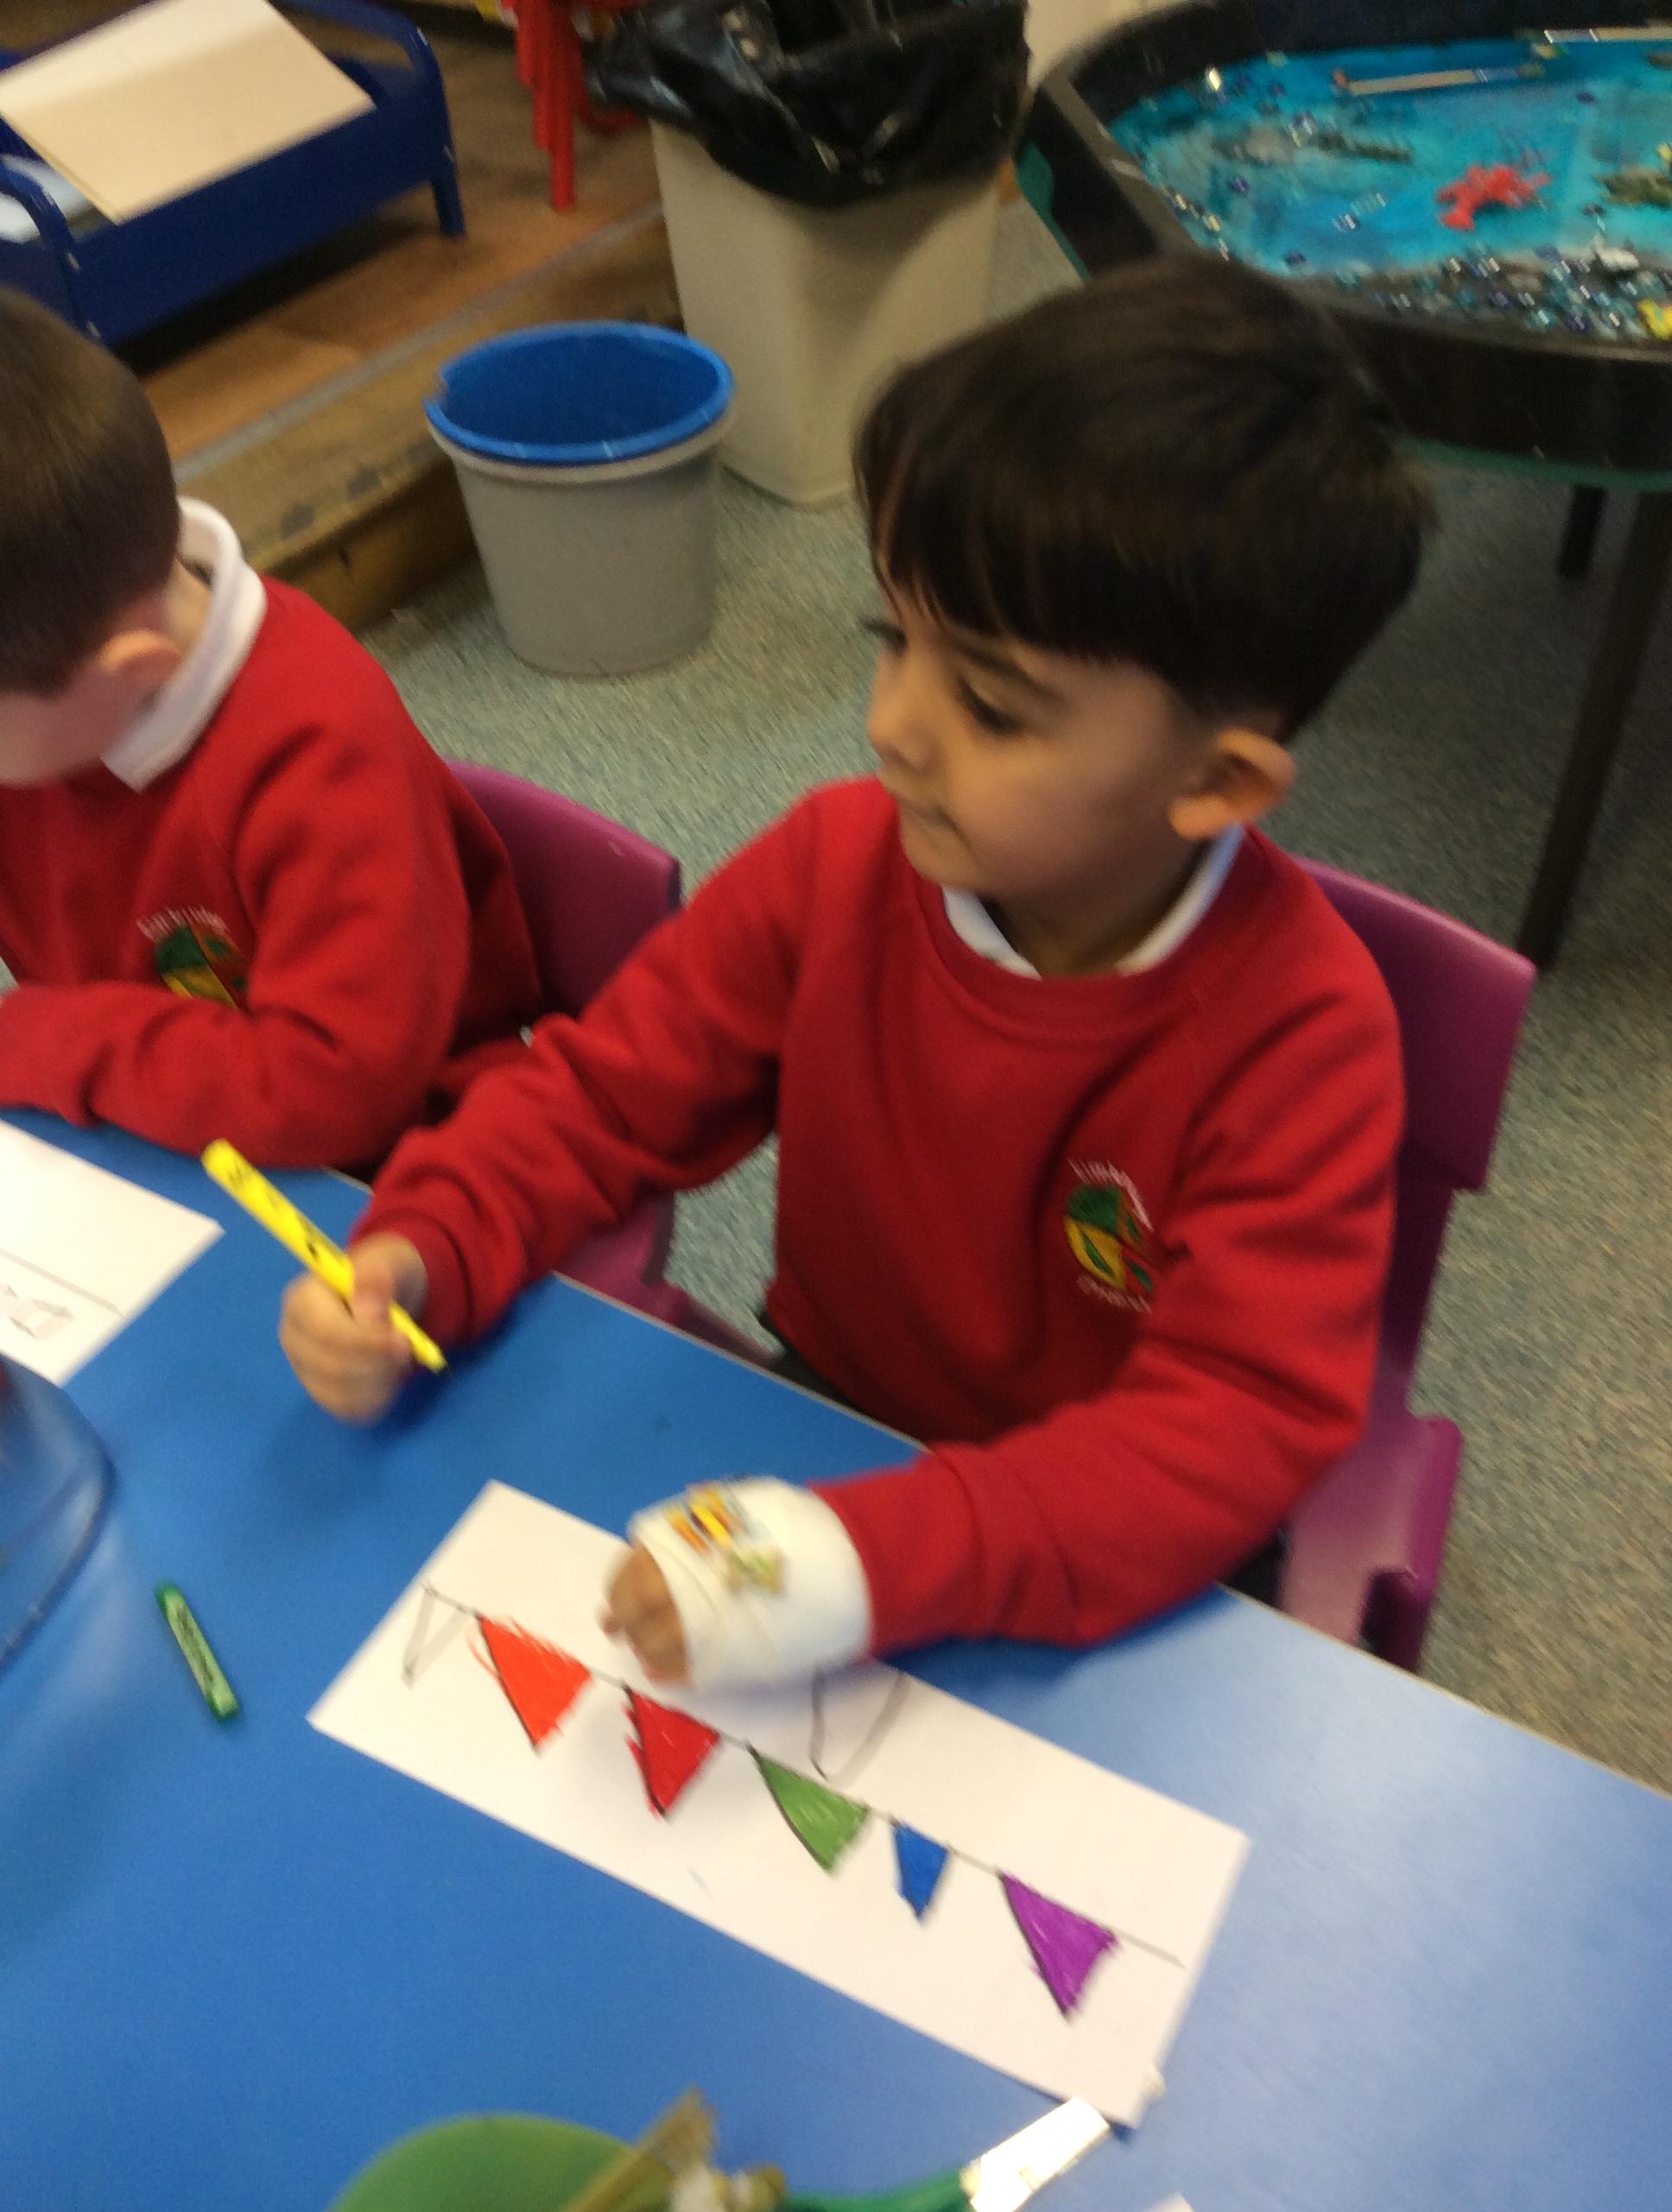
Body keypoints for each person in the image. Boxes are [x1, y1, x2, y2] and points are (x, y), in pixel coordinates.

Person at [281, 258, 1433, 1689]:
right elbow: (599, 1099)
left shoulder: (1304, 1037)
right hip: (839, 1426)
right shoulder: (839, 863)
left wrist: (860, 1561)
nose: (892, 725)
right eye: (896, 635)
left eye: (990, 703)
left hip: (1119, 1542)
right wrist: (427, 1237)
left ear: (1217, 783)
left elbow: (1223, 1432)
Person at [0, 287, 542, 1172]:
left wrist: (49, 1038)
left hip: (397, 1164)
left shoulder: (318, 751)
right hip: (159, 1126)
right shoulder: (52, 686)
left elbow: (336, 1096)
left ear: (132, 669)